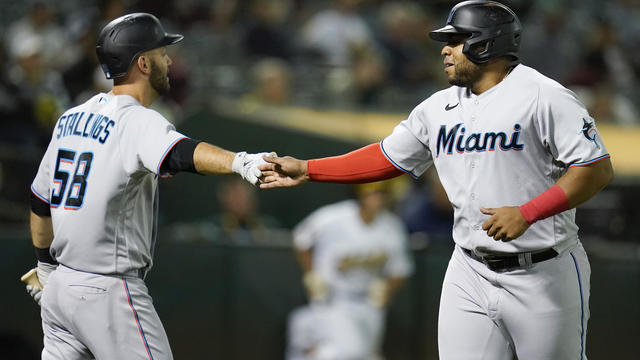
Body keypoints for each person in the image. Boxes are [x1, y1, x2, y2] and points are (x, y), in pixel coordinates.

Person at [260, 1, 614, 359]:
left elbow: (595, 169)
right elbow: (386, 157)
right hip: (469, 268)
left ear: (486, 43)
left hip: (543, 269)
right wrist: (309, 169)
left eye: (456, 40)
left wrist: (528, 212)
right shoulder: (437, 107)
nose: (444, 49)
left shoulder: (545, 96)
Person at [23, 13, 273, 359]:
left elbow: (39, 200)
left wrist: (46, 268)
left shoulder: (71, 117)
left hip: (60, 287)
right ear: (143, 62)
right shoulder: (138, 119)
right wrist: (241, 162)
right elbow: (181, 154)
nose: (168, 60)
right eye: (161, 52)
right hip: (108, 288)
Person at [286, 181, 413, 360]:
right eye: (375, 193)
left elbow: (400, 269)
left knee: (367, 355)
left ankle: (304, 351)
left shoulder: (391, 226)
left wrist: (387, 288)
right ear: (362, 194)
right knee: (350, 352)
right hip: (333, 299)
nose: (378, 198)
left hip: (370, 303)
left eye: (382, 194)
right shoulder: (335, 217)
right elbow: (301, 238)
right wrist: (312, 273)